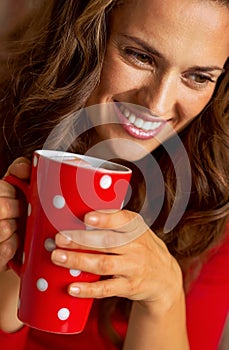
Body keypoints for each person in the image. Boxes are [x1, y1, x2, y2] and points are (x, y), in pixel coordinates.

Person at [0, 0, 228, 349]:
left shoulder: (214, 209)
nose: (157, 105)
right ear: (85, 37)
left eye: (197, 77)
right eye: (140, 56)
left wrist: (164, 297)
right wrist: (18, 248)